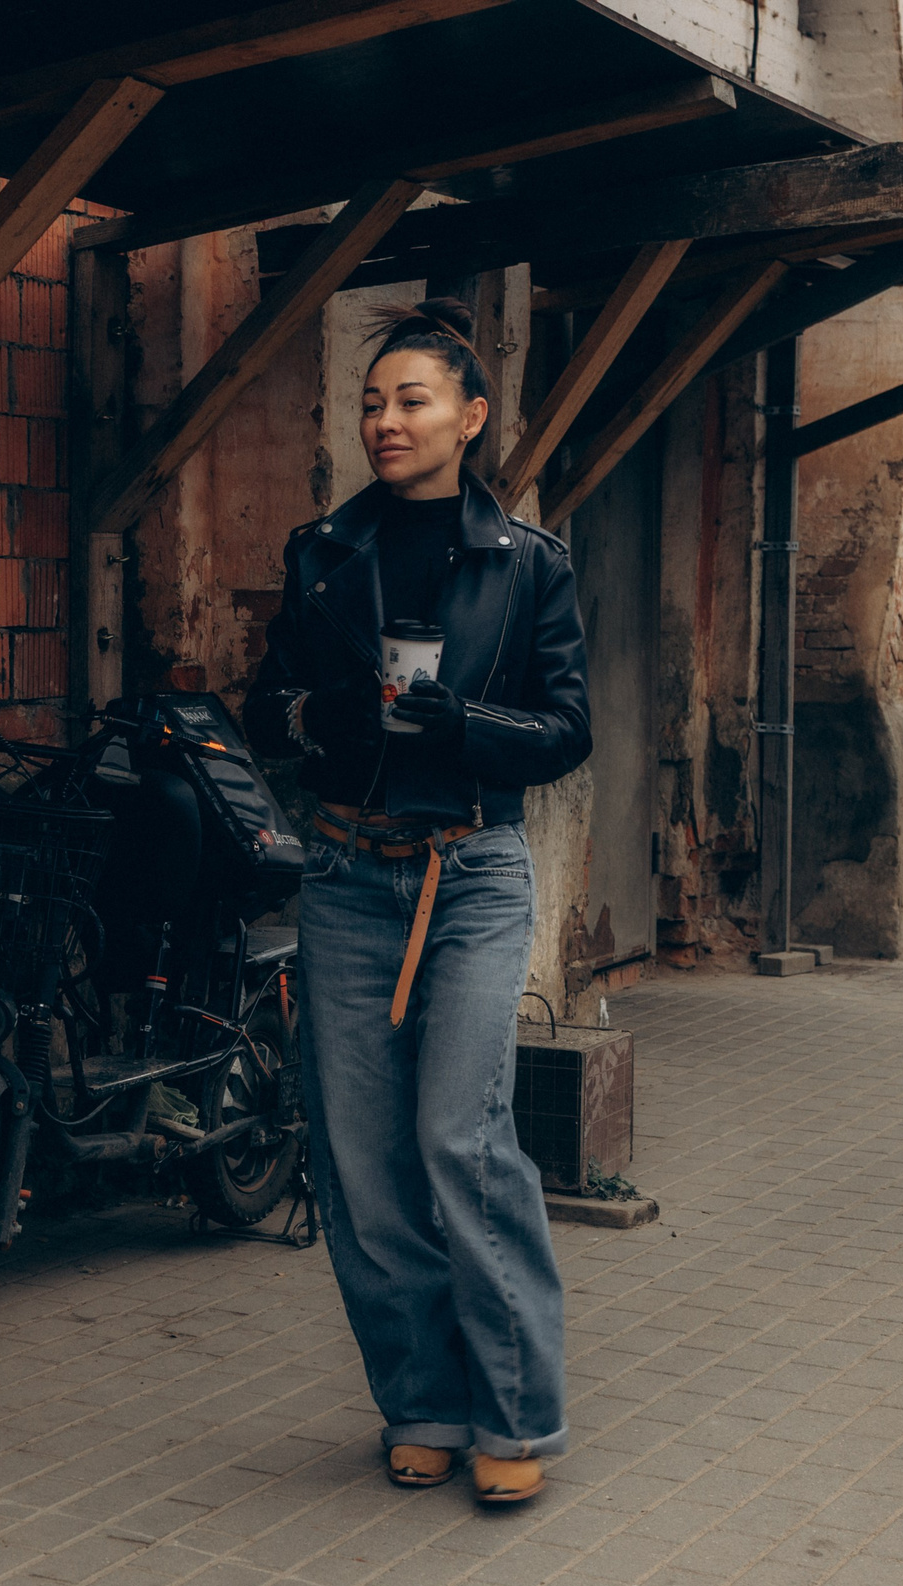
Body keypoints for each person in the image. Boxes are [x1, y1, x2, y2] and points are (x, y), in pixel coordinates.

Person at [244, 297, 591, 1506]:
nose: (385, 421)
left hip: (472, 869)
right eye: (372, 402)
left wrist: (466, 725)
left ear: (471, 418)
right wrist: (316, 718)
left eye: (412, 400)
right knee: (361, 1159)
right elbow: (265, 708)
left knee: (459, 1134)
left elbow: (564, 732)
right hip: (344, 870)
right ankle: (422, 1400)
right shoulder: (322, 551)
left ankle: (516, 1412)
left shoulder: (529, 564)